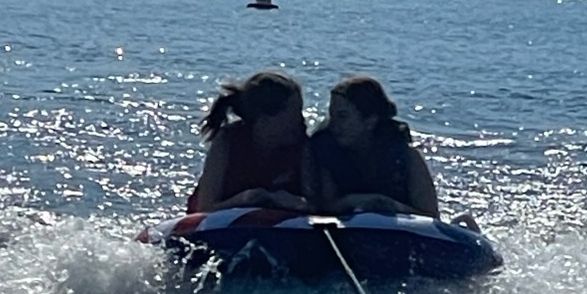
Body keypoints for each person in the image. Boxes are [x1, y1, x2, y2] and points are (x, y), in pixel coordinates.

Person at [304, 75, 441, 218]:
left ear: (370, 121)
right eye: (332, 116)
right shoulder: (325, 152)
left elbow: (431, 217)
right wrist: (350, 202)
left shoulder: (407, 157)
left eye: (343, 116)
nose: (334, 124)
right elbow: (325, 208)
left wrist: (382, 203)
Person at [188, 70, 309, 213]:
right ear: (264, 119)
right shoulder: (228, 141)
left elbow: (317, 203)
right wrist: (246, 199)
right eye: (295, 113)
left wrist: (293, 202)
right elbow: (205, 208)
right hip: (218, 224)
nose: (302, 121)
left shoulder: (303, 146)